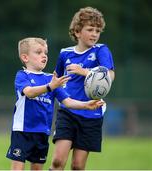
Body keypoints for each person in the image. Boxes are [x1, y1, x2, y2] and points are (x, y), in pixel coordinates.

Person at [6, 37, 104, 170]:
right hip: (23, 131)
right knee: (17, 168)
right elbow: (29, 92)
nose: (44, 56)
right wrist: (49, 87)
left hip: (42, 133)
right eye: (38, 52)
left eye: (45, 53)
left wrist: (86, 105)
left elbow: (68, 102)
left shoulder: (51, 79)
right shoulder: (23, 75)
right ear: (25, 57)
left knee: (37, 169)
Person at [50, 7, 115, 170]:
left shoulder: (101, 50)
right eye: (90, 29)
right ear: (78, 32)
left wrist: (85, 72)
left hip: (91, 114)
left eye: (98, 30)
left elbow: (109, 75)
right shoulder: (65, 54)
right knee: (58, 161)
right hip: (68, 111)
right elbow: (55, 80)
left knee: (77, 165)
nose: (95, 34)